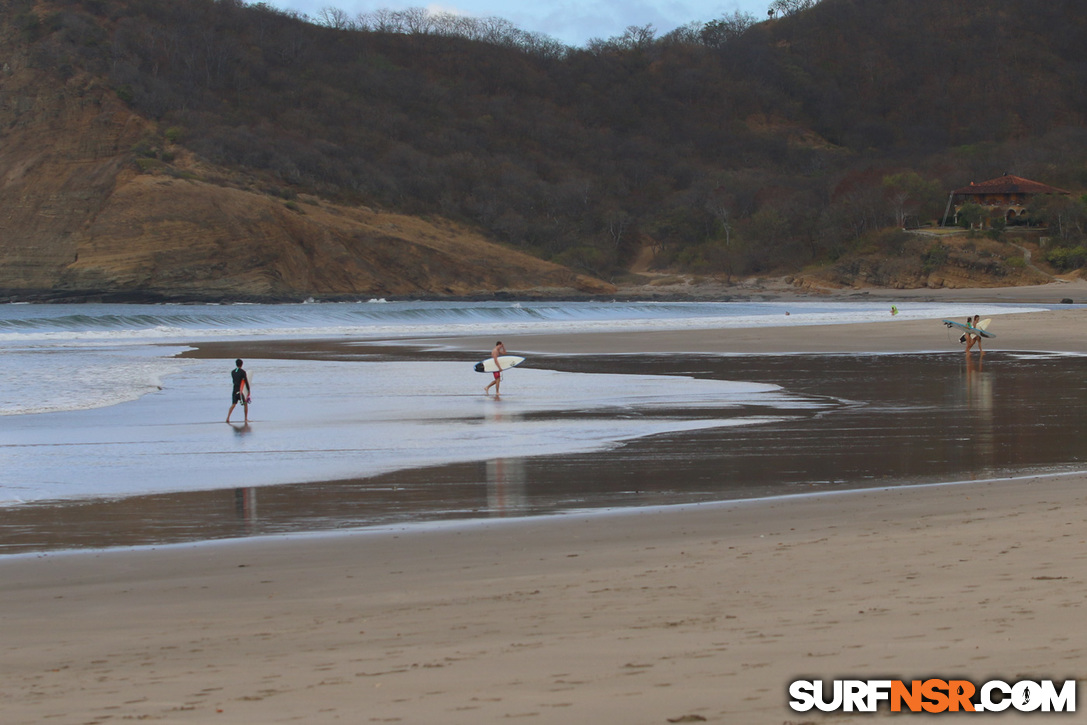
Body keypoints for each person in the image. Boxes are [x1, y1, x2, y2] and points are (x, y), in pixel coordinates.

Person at [226, 358, 251, 423]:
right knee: (245, 404)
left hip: (234, 390)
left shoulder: (233, 372)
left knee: (233, 404)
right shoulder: (243, 372)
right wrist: (248, 390)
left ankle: (228, 418)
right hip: (240, 391)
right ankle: (245, 419)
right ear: (242, 364)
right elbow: (246, 382)